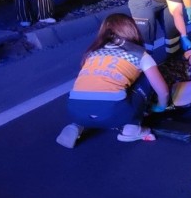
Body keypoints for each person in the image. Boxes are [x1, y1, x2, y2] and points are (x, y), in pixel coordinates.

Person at [56, 13, 170, 149]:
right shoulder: (139, 53)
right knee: (145, 77)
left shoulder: (93, 52)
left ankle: (76, 125)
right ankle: (132, 128)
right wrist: (161, 106)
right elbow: (162, 91)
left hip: (74, 108)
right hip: (114, 111)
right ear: (132, 30)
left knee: (95, 84)